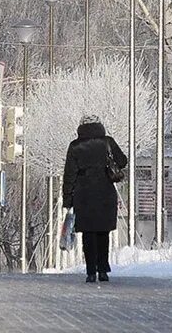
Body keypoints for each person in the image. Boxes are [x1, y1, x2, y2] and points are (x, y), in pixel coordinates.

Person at [62, 114, 128, 283]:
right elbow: (122, 161)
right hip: (105, 191)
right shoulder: (107, 142)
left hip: (83, 193)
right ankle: (103, 270)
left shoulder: (75, 146)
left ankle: (91, 271)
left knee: (88, 233)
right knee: (102, 232)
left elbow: (69, 174)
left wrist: (67, 199)